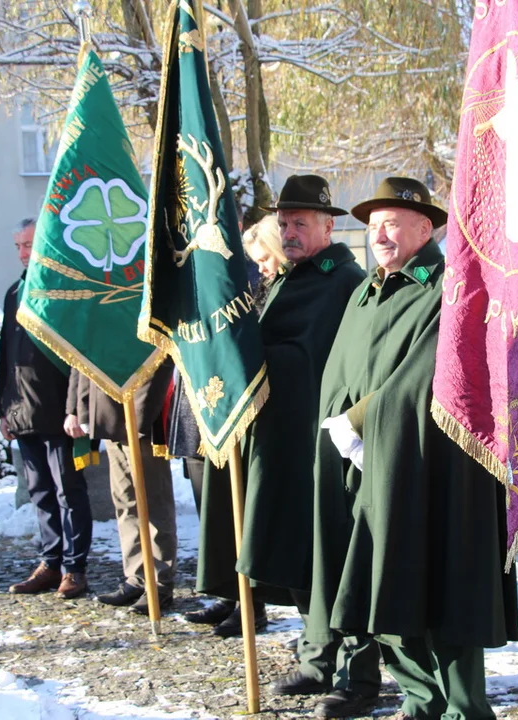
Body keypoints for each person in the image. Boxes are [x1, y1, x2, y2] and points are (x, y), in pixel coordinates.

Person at [309, 177, 518, 719]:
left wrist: (362, 420)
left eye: (391, 222)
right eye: (373, 223)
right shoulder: (367, 288)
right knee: (382, 584)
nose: (378, 232)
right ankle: (419, 698)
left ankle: (464, 707)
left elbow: (435, 374)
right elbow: (344, 368)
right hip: (361, 463)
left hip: (429, 463)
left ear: (425, 228)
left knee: (440, 583)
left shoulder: (448, 286)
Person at [193, 175, 377, 693]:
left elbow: (311, 361)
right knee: (299, 559)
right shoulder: (289, 278)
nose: (290, 232)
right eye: (284, 223)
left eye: (300, 223)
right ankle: (317, 659)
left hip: (319, 447)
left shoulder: (341, 281)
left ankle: (353, 673)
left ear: (328, 224)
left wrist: (244, 358)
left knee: (332, 561)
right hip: (279, 443)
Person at [183, 216, 284, 633]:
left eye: (265, 259)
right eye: (257, 260)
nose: (261, 266)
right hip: (211, 408)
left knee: (246, 512)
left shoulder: (259, 287)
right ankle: (229, 594)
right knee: (218, 509)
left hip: (251, 413)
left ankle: (251, 602)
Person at [0, 218, 92, 600]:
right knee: (40, 492)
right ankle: (50, 562)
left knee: (69, 490)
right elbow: (5, 356)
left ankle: (75, 567)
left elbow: (78, 359)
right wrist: (3, 409)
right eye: (18, 246)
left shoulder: (65, 288)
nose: (23, 253)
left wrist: (76, 408)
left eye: (29, 244)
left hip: (59, 411)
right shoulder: (13, 293)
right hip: (22, 411)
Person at [65, 360, 176, 613]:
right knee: (126, 500)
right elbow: (82, 358)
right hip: (110, 412)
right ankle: (137, 576)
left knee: (153, 501)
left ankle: (159, 582)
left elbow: (159, 358)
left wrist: (139, 416)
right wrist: (81, 408)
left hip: (142, 415)